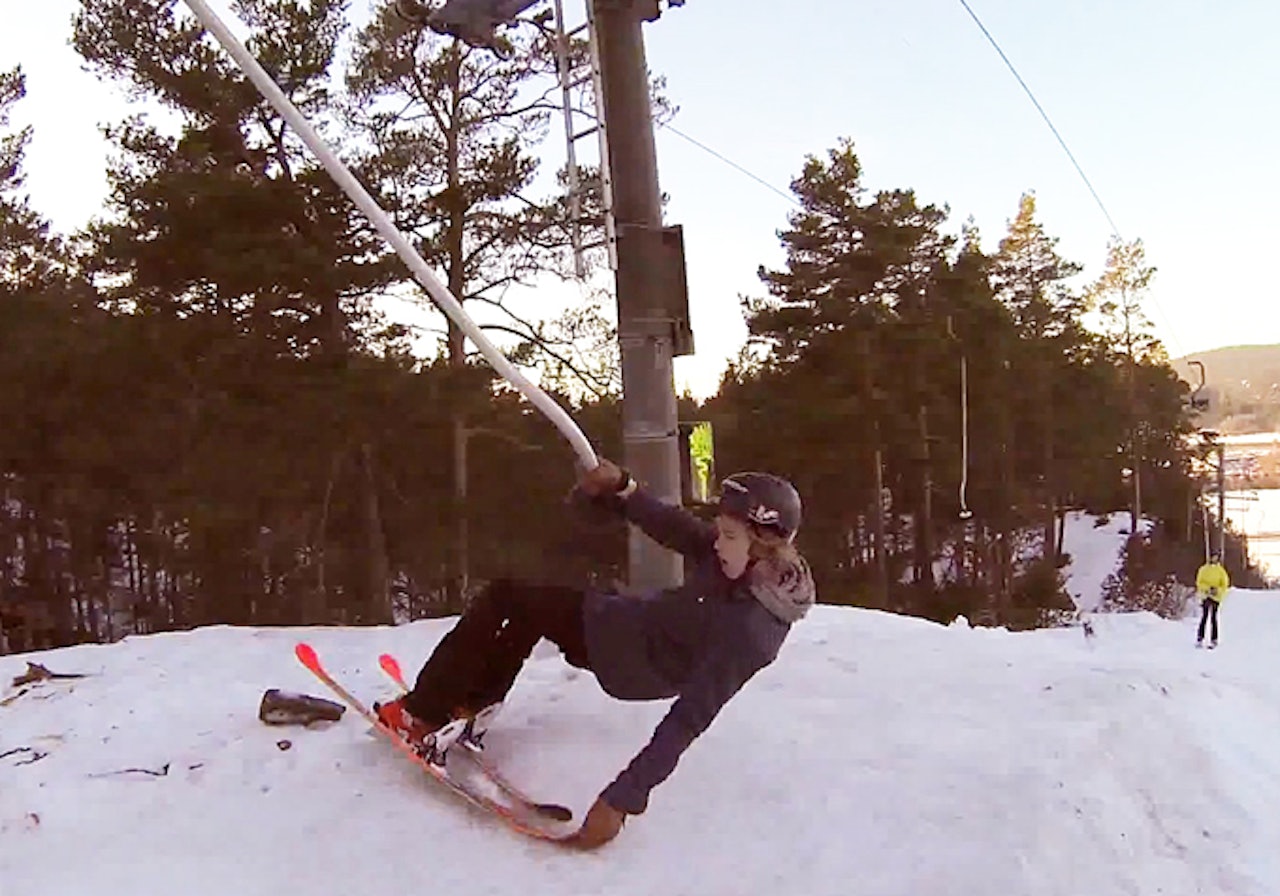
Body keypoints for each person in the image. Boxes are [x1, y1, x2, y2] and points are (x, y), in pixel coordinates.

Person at [375, 457, 816, 848]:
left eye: (728, 535)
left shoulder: (750, 632)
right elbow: (677, 528)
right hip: (626, 626)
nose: (716, 541)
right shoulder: (736, 559)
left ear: (765, 547)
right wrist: (624, 488)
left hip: (625, 657)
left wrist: (623, 799)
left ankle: (422, 713)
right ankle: (472, 702)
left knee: (507, 596)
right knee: (527, 610)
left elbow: (690, 718)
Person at [1194, 552, 1230, 648]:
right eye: (1213, 557)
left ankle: (1214, 639)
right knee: (1204, 616)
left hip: (1216, 597)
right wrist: (1207, 589)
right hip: (1205, 596)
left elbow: (1225, 584)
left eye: (1216, 557)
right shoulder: (1203, 569)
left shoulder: (1221, 571)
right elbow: (1199, 582)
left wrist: (1217, 590)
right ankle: (1200, 638)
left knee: (1213, 617)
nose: (1214, 559)